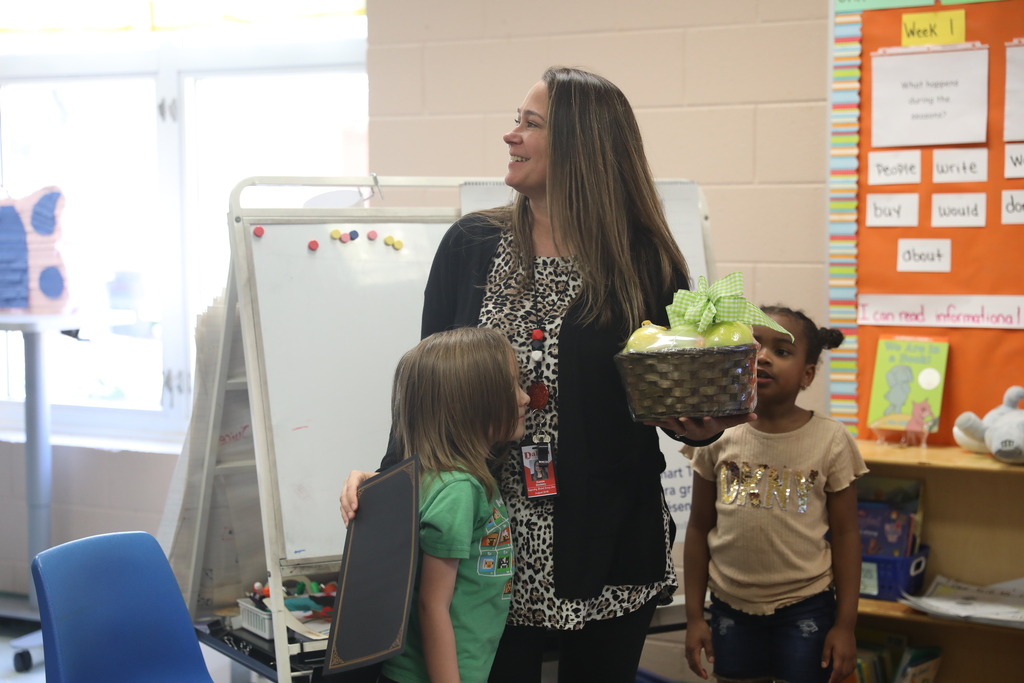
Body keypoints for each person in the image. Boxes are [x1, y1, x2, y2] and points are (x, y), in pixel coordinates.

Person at [341, 66, 752, 683]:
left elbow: (677, 400)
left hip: (606, 535)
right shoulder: (472, 244)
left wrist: (700, 427)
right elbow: (430, 387)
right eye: (517, 120)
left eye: (530, 124)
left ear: (582, 147)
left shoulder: (645, 259)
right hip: (485, 539)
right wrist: (389, 482)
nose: (510, 136)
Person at [682, 306, 867, 683]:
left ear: (807, 374)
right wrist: (694, 617)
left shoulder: (831, 440)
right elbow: (699, 527)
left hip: (806, 606)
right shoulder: (716, 433)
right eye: (753, 347)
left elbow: (847, 534)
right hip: (730, 606)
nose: (762, 357)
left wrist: (845, 626)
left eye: (782, 351)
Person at [379, 327, 530, 683]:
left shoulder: (445, 478)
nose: (525, 399)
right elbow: (433, 606)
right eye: (511, 386)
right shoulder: (459, 490)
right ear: (471, 403)